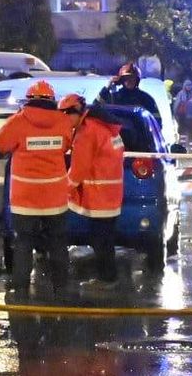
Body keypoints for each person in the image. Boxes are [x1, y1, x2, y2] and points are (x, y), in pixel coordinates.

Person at [0, 80, 75, 297]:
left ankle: (20, 288)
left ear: (29, 100)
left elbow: (0, 145)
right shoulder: (63, 122)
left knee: (23, 242)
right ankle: (62, 286)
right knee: (57, 242)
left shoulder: (18, 121)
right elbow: (67, 146)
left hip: (25, 196)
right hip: (54, 195)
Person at [64, 94, 125, 285]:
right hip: (112, 195)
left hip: (99, 196)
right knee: (106, 240)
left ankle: (106, 280)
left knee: (100, 241)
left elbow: (79, 169)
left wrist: (64, 188)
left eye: (66, 116)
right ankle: (108, 278)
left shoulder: (86, 132)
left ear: (75, 113)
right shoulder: (107, 128)